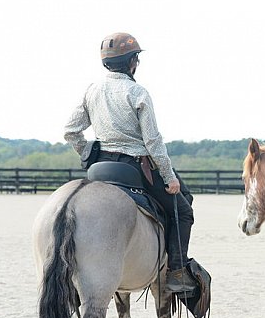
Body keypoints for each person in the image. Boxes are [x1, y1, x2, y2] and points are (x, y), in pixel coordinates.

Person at [64, 32, 197, 295]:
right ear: (132, 61)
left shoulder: (92, 90)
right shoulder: (137, 92)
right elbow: (153, 142)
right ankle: (177, 272)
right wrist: (170, 178)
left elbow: (70, 131)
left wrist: (87, 151)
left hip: (99, 169)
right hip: (134, 168)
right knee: (183, 211)